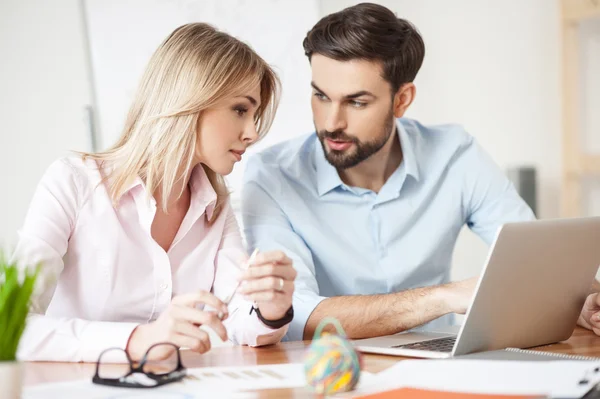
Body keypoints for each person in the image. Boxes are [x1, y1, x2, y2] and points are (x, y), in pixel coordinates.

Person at [242, 2, 600, 342]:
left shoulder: (454, 154)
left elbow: (532, 255)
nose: (332, 122)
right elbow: (294, 314)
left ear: (402, 100)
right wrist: (443, 298)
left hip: (436, 364)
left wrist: (578, 302)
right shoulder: (272, 176)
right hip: (329, 368)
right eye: (321, 96)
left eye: (356, 102)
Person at [12, 23, 296, 363]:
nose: (252, 132)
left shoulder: (215, 210)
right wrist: (137, 339)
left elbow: (240, 321)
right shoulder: (73, 183)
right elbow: (12, 325)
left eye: (255, 114)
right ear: (191, 99)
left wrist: (271, 309)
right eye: (240, 109)